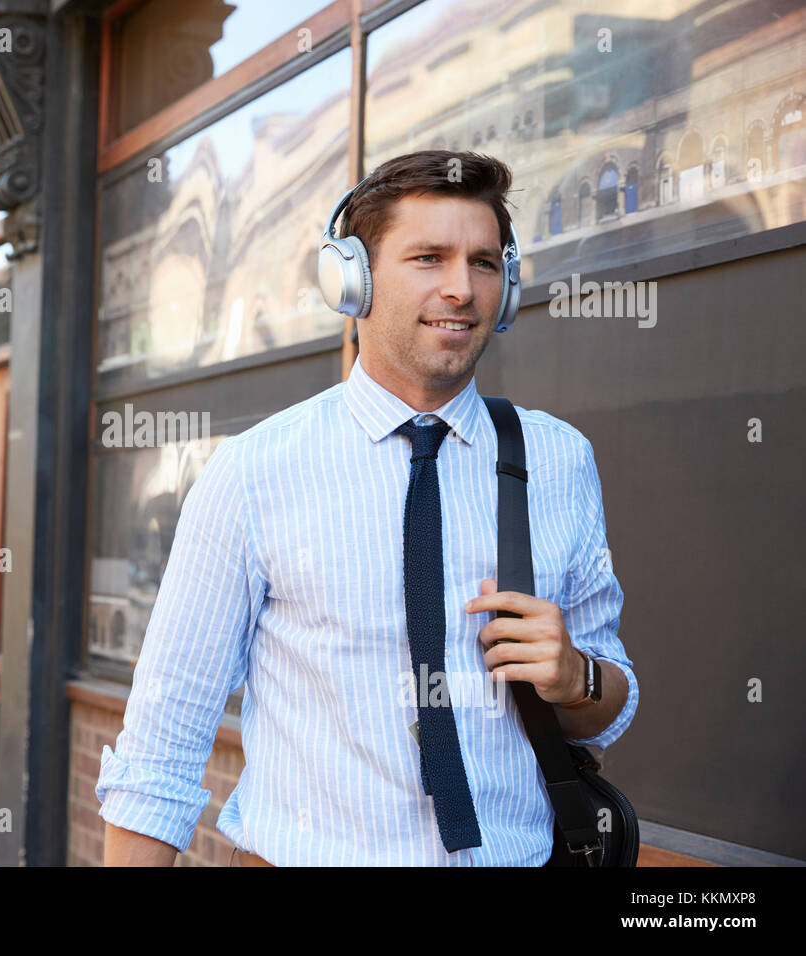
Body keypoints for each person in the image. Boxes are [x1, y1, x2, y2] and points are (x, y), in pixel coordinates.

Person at [95, 151, 638, 866]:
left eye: (482, 263)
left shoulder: (559, 460)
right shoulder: (255, 472)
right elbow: (163, 743)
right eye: (427, 258)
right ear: (351, 280)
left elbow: (609, 699)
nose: (460, 288)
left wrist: (577, 676)